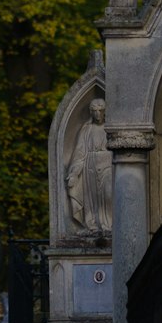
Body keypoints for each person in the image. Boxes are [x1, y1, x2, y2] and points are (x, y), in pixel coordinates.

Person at [65, 98, 112, 234]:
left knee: (108, 195)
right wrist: (74, 173)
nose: (98, 114)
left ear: (105, 112)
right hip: (89, 167)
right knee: (93, 199)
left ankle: (110, 225)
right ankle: (94, 226)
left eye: (100, 111)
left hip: (109, 166)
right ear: (91, 113)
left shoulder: (110, 127)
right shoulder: (87, 130)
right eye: (95, 111)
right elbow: (80, 154)